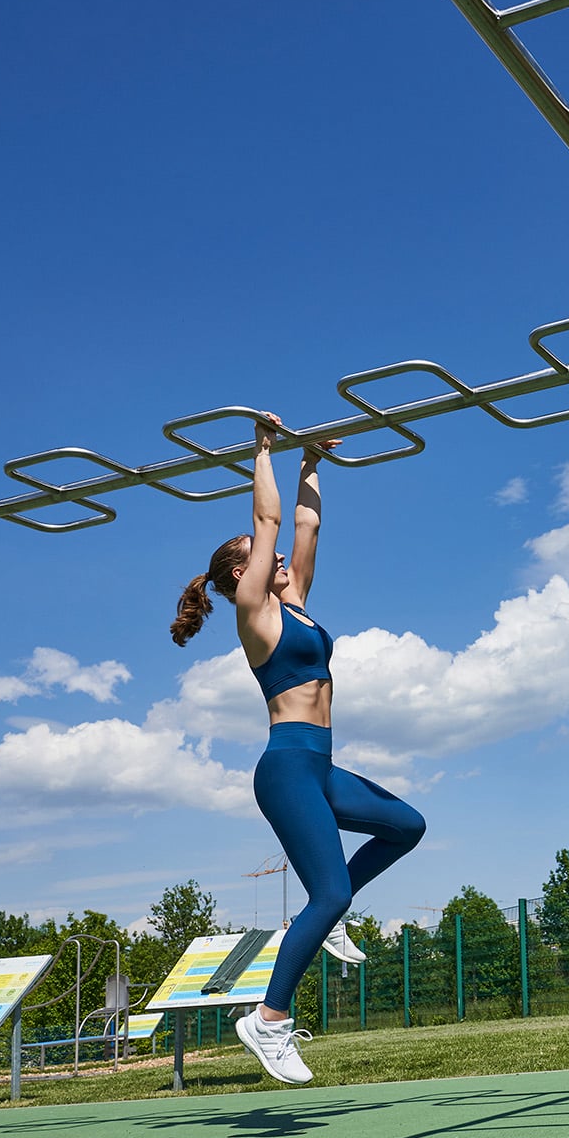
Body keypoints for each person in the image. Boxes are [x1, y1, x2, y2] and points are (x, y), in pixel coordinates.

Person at [170, 414, 426, 1084]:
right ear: (240, 573)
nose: (278, 561)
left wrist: (312, 465)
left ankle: (331, 910)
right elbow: (271, 522)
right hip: (286, 768)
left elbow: (304, 526)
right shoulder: (254, 613)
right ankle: (270, 1019)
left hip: (320, 766)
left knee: (406, 826)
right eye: (261, 559)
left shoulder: (298, 604)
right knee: (329, 890)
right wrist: (263, 450)